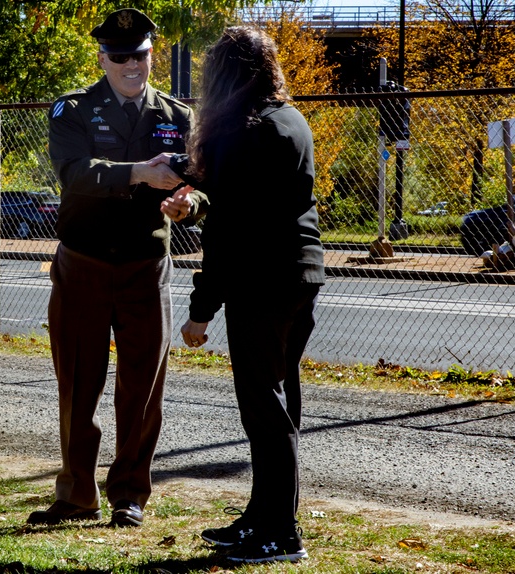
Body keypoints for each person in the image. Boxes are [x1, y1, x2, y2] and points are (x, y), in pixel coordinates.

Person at [27, 8, 206, 528]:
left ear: (153, 54)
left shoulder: (177, 117)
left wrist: (187, 206)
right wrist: (139, 175)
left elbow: (199, 183)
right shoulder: (73, 110)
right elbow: (72, 171)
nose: (132, 64)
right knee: (78, 383)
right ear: (103, 58)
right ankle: (77, 492)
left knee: (143, 387)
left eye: (141, 54)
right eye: (120, 55)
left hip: (145, 267)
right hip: (82, 264)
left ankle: (129, 493)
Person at [167, 27, 326, 562]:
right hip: (302, 274)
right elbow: (259, 208)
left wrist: (198, 312)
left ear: (222, 77)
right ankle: (266, 517)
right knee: (280, 404)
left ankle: (279, 535)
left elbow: (229, 235)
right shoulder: (291, 121)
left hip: (260, 280)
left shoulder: (241, 130)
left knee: (264, 409)